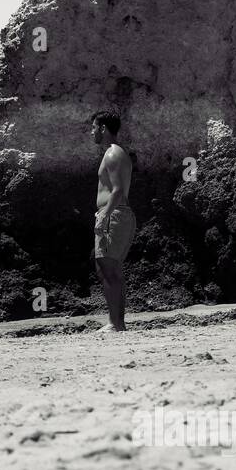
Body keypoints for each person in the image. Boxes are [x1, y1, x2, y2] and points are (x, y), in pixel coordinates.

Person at [92, 109, 135, 332]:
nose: (92, 133)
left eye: (93, 127)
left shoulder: (112, 154)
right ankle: (118, 323)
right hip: (117, 213)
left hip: (114, 214)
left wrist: (104, 216)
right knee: (110, 269)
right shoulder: (116, 152)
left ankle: (114, 323)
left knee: (107, 268)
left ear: (102, 128)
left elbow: (117, 190)